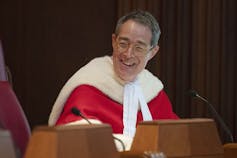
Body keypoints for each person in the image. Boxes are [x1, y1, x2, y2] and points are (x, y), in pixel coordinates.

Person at [48, 10, 179, 151]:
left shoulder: (153, 90)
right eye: (123, 44)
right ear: (113, 42)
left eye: (139, 48)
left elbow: (176, 139)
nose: (128, 54)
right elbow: (75, 138)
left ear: (152, 52)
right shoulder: (89, 85)